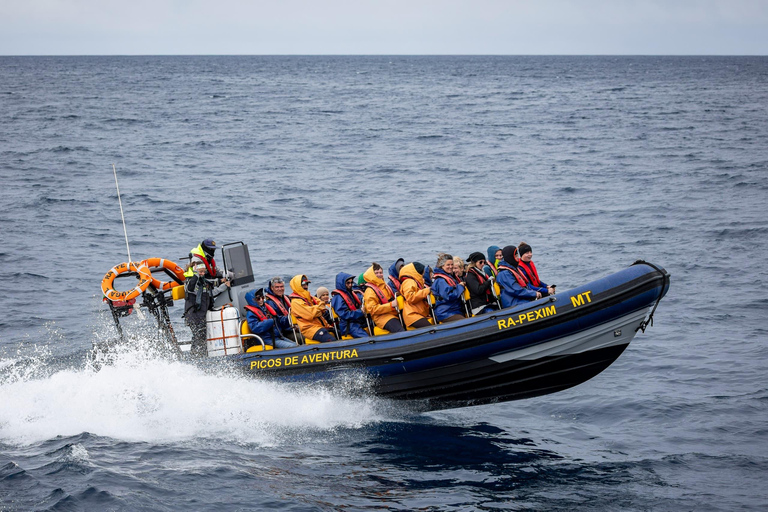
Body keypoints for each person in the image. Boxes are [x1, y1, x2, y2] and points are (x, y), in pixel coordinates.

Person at [183, 260, 231, 356]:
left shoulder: (204, 282)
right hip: (193, 315)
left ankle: (202, 355)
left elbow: (212, 291)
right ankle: (196, 357)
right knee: (198, 336)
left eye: (204, 271)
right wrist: (196, 274)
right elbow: (190, 288)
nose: (202, 273)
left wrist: (224, 285)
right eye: (200, 271)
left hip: (201, 316)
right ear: (195, 271)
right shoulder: (190, 281)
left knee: (202, 336)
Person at [288, 274, 336, 342]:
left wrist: (315, 309)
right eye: (303, 284)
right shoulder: (296, 302)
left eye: (307, 284)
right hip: (310, 329)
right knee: (331, 340)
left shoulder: (309, 297)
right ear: (298, 286)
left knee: (339, 333)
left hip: (320, 326)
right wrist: (318, 310)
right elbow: (310, 314)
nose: (306, 286)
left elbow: (322, 304)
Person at [363, 263, 404, 333]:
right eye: (376, 273)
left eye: (381, 272)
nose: (379, 275)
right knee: (399, 330)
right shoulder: (370, 291)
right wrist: (391, 305)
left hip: (392, 313)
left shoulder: (385, 286)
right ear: (372, 275)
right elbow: (373, 309)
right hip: (382, 318)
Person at [431, 253, 466, 323]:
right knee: (464, 322)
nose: (450, 267)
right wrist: (460, 286)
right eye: (448, 265)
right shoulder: (440, 281)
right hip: (446, 312)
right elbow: (449, 296)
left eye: (452, 264)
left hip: (454, 309)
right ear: (442, 266)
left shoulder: (450, 277)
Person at [331, 272, 368, 338]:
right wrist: (360, 312)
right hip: (348, 325)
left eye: (351, 282)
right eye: (348, 283)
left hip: (357, 321)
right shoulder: (337, 297)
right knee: (365, 337)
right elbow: (344, 314)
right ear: (342, 283)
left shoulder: (350, 293)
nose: (350, 285)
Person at [399, 262, 432, 329]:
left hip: (418, 313)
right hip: (412, 315)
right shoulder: (409, 281)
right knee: (430, 328)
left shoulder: (415, 281)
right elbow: (410, 298)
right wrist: (427, 290)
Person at [264, 276, 298, 342]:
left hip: (292, 327)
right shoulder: (270, 303)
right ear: (272, 288)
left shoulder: (286, 298)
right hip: (284, 332)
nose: (280, 289)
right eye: (277, 287)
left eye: (281, 286)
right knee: (303, 338)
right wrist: (292, 317)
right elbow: (279, 321)